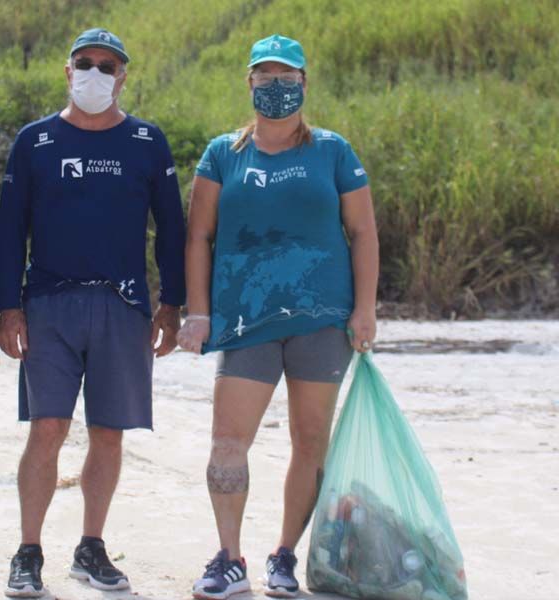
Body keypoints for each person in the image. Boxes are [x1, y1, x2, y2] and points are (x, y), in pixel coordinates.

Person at [178, 34, 379, 599]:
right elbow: (198, 236)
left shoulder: (333, 151)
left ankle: (285, 555)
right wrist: (198, 312)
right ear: (249, 83)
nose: (276, 87)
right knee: (227, 443)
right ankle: (227, 558)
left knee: (311, 440)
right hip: (244, 322)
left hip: (323, 320)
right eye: (265, 77)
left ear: (304, 83)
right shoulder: (223, 153)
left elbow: (362, 233)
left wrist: (365, 309)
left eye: (287, 78)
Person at [0, 28, 186, 598]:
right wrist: (8, 306)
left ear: (124, 76)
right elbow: (9, 233)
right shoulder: (35, 141)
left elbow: (171, 232)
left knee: (108, 433)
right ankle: (28, 551)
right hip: (48, 303)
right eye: (86, 63)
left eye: (108, 66)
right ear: (67, 70)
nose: (96, 74)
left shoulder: (147, 142)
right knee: (47, 427)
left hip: (125, 305)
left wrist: (171, 304)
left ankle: (91, 548)